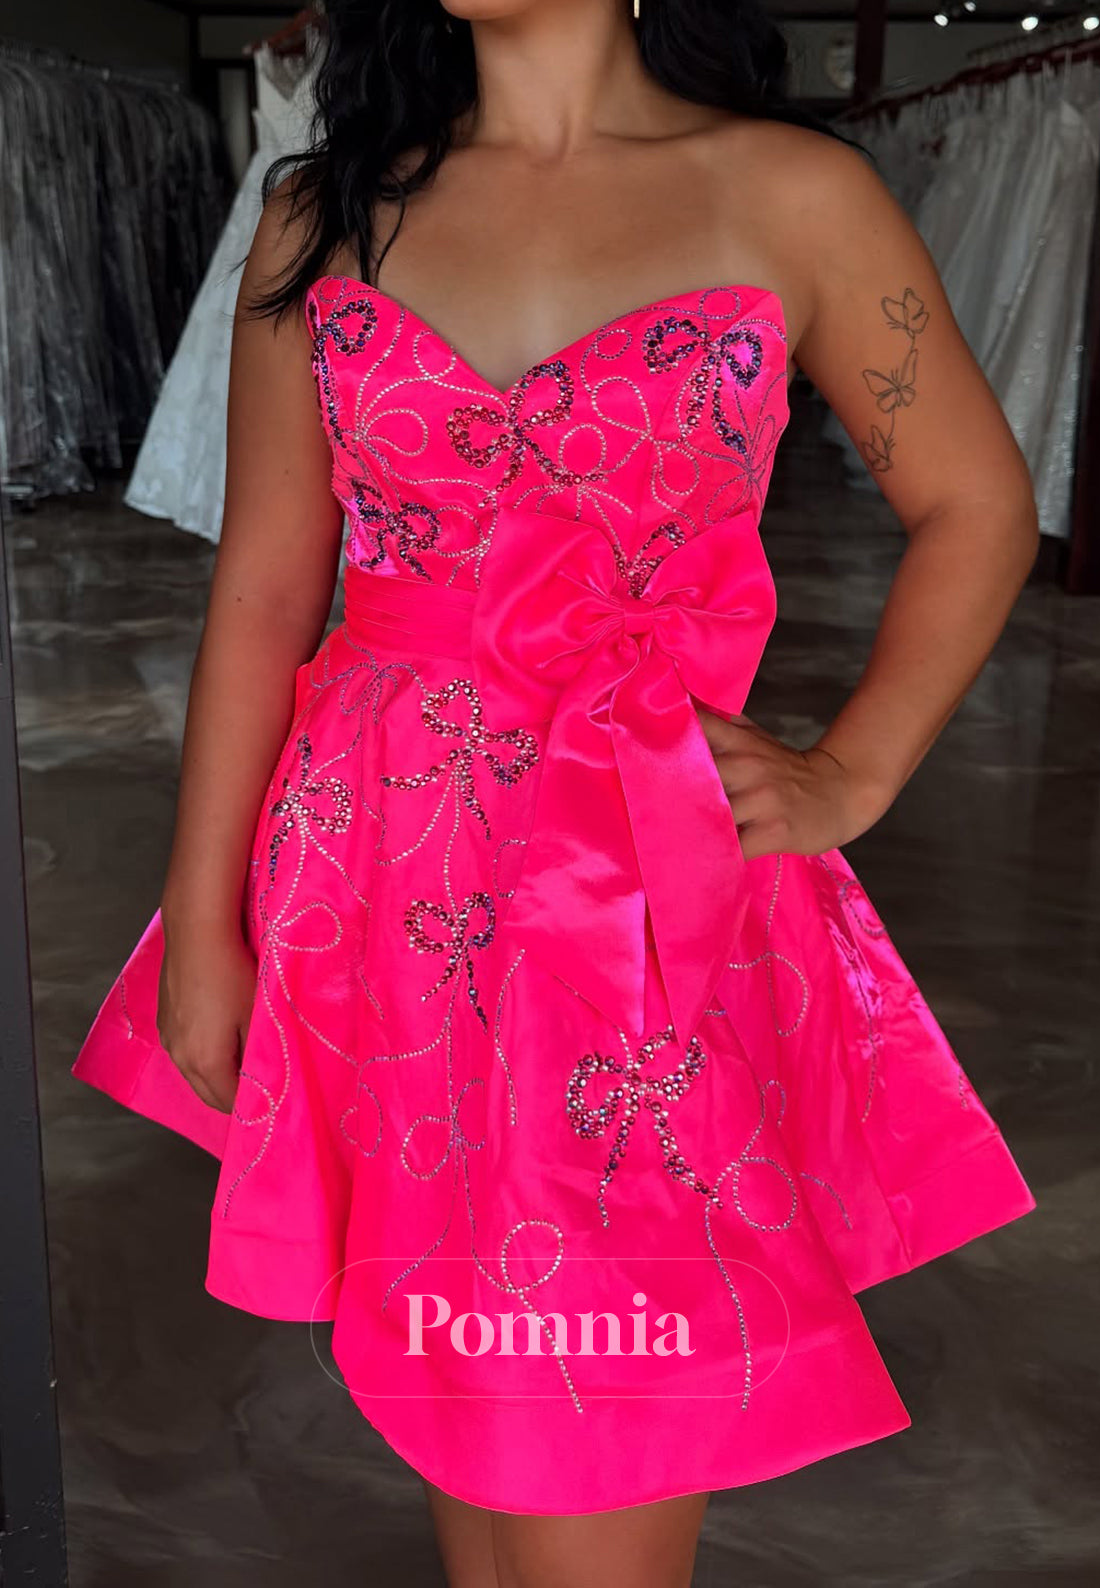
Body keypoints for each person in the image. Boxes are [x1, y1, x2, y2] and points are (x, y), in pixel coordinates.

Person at [73, 3, 1040, 1585]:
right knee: (468, 1404)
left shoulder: (787, 194)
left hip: (641, 895)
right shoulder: (328, 214)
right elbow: (263, 594)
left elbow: (976, 502)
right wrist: (201, 923)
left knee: (603, 1405)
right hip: (384, 890)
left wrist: (852, 773)